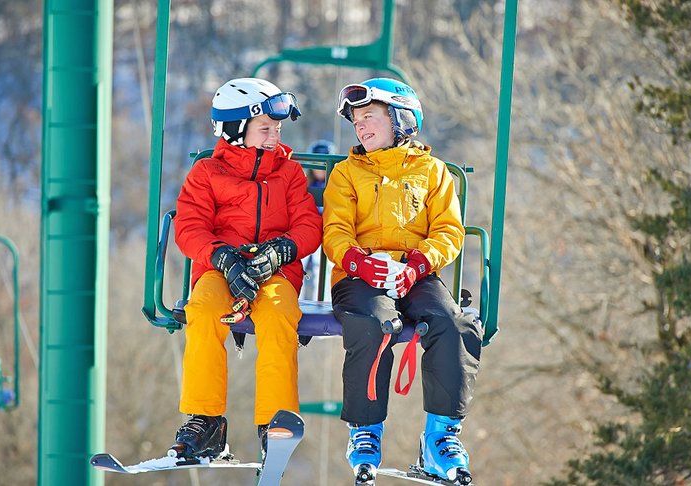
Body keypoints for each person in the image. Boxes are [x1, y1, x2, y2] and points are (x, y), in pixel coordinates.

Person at [322, 78, 483, 484]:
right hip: (361, 276)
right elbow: (335, 229)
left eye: (370, 117)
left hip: (416, 273)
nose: (361, 127)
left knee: (455, 322)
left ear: (401, 119)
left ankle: (441, 436)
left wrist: (417, 264)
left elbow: (449, 230)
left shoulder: (432, 172)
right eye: (356, 121)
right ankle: (365, 430)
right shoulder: (347, 174)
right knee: (373, 323)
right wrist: (358, 261)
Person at [170, 77, 322, 462]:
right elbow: (189, 226)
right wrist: (221, 257)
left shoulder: (287, 173)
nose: (275, 137)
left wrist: (282, 250)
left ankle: (275, 420)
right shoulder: (207, 173)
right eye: (265, 129)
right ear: (237, 131)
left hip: (274, 272)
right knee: (202, 312)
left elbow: (308, 225)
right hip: (219, 269)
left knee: (278, 315)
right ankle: (205, 421)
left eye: (278, 129)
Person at [302, 139, 336, 300]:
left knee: (321, 268)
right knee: (299, 262)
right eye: (317, 162)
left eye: (323, 162)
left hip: (327, 230)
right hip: (308, 228)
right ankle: (297, 300)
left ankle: (321, 301)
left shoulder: (336, 181)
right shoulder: (305, 182)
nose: (320, 167)